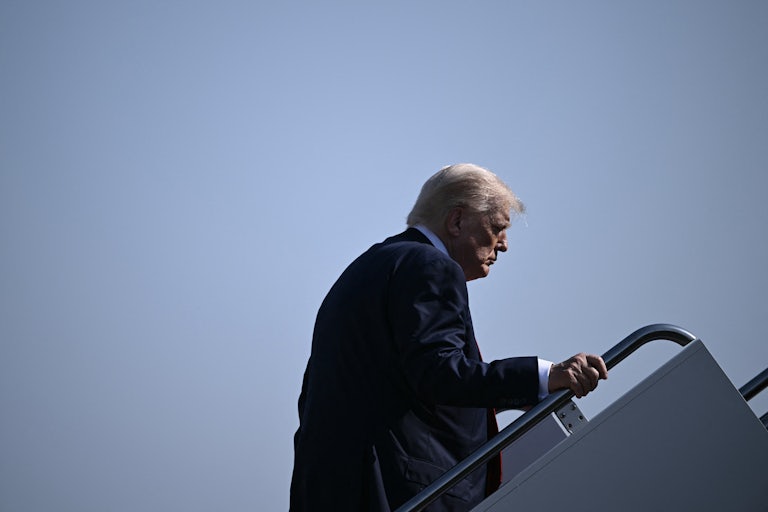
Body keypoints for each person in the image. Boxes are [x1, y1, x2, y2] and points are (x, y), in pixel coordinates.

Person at [289, 163, 608, 511]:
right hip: (399, 491)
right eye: (497, 228)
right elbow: (438, 373)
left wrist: (506, 396)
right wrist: (545, 377)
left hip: (329, 490)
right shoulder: (431, 266)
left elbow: (393, 385)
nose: (504, 245)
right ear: (456, 221)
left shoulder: (365, 269)